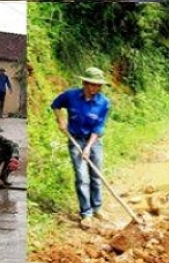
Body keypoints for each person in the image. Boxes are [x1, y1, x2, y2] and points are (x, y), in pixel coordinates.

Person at [52, 67, 111, 228]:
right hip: (75, 140)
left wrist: (88, 147)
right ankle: (86, 213)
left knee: (96, 175)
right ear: (85, 83)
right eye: (93, 85)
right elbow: (56, 104)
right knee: (81, 177)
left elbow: (98, 128)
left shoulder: (104, 103)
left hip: (94, 142)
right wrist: (60, 120)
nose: (96, 88)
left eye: (99, 85)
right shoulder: (70, 96)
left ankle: (97, 207)